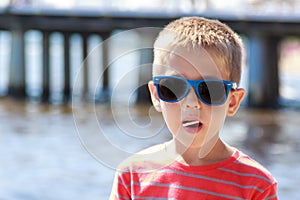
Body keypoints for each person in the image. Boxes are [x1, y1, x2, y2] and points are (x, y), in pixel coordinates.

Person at [110, 16, 278, 199]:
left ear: (232, 102)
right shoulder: (131, 176)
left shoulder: (257, 185)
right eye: (173, 88)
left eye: (210, 90)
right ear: (156, 95)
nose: (191, 102)